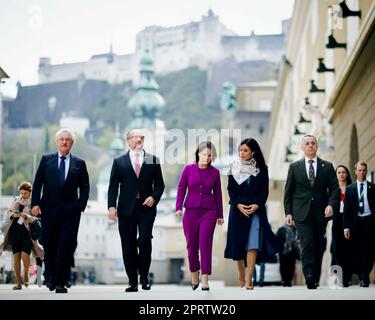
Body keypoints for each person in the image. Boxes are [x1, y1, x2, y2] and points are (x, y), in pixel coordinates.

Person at [31, 128, 90, 293]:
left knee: (66, 246)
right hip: (49, 210)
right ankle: (50, 276)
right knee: (50, 246)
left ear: (72, 143)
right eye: (62, 139)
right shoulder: (46, 160)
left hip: (71, 212)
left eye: (68, 140)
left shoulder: (79, 163)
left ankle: (61, 282)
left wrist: (80, 206)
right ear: (57, 142)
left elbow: (85, 187)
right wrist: (35, 204)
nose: (64, 142)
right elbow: (37, 184)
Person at [108, 129, 165, 292]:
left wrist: (154, 197)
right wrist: (111, 206)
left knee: (145, 241)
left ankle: (144, 277)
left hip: (146, 208)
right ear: (128, 141)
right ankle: (132, 281)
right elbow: (113, 187)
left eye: (142, 137)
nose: (139, 140)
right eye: (135, 137)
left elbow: (160, 185)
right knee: (128, 245)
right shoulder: (119, 161)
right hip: (126, 209)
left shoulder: (153, 160)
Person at [284, 134, 340, 289]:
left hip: (321, 213)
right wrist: (288, 213)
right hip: (301, 213)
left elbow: (335, 189)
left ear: (317, 146)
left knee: (318, 244)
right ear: (302, 147)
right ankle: (308, 275)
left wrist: (331, 205)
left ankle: (314, 276)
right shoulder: (294, 167)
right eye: (307, 143)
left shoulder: (327, 166)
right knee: (307, 242)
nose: (310, 145)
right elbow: (288, 193)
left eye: (313, 143)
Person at [224, 138, 281, 290]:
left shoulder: (262, 169)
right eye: (240, 150)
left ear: (253, 152)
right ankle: (241, 275)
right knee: (238, 245)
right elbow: (231, 190)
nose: (242, 153)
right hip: (238, 212)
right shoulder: (233, 168)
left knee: (253, 244)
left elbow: (264, 191)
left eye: (245, 150)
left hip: (256, 212)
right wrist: (237, 204)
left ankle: (249, 279)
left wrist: (257, 204)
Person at [175, 141, 224, 291]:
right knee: (192, 246)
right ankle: (194, 274)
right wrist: (178, 207)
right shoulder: (188, 169)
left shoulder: (215, 172)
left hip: (209, 212)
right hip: (190, 211)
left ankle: (205, 279)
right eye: (204, 154)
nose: (207, 158)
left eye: (210, 155)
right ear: (198, 154)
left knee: (205, 244)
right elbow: (182, 188)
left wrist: (220, 215)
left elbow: (218, 194)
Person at [0, 182, 44, 290]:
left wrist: (27, 216)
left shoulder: (34, 203)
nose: (23, 195)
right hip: (15, 233)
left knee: (25, 257)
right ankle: (18, 283)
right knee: (16, 259)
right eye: (21, 193)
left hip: (27, 234)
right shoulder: (16, 200)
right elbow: (9, 213)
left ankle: (26, 275)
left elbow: (37, 219)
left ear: (30, 192)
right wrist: (13, 215)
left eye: (25, 193)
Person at [343, 161, 375, 287]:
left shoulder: (373, 188)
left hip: (369, 222)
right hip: (355, 223)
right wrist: (346, 227)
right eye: (359, 170)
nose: (362, 172)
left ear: (366, 171)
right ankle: (360, 272)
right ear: (355, 172)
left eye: (364, 170)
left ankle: (365, 275)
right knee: (356, 250)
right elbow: (346, 210)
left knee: (369, 250)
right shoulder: (350, 189)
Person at [331, 165, 352, 287]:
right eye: (339, 172)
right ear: (336, 175)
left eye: (344, 172)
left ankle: (347, 278)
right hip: (337, 222)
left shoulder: (351, 188)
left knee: (348, 250)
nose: (341, 174)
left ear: (347, 174)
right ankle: (340, 277)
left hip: (348, 222)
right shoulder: (333, 189)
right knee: (337, 250)